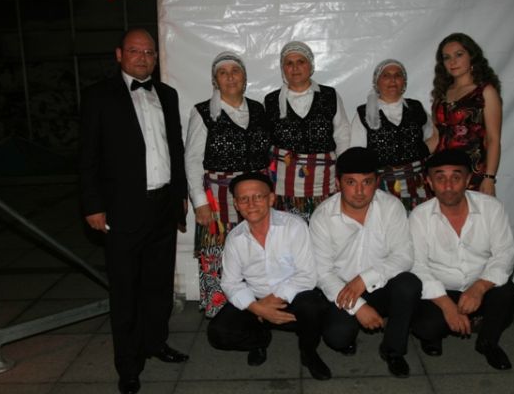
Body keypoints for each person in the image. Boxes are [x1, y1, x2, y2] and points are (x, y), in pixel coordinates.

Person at [79, 28, 189, 394]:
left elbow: (175, 148)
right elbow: (88, 156)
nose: (143, 57)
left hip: (163, 205)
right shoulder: (98, 96)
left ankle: (156, 343)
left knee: (158, 285)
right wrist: (93, 205)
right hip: (122, 208)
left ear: (156, 57)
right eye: (135, 51)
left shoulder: (168, 95)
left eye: (149, 52)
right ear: (119, 54)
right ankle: (128, 365)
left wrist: (180, 194)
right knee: (125, 291)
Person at [309, 147, 422, 378]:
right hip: (341, 289)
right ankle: (348, 335)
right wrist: (359, 307)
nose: (359, 191)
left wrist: (364, 279)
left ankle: (393, 350)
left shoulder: (391, 207)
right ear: (338, 183)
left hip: (381, 284)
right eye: (351, 182)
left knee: (409, 284)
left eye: (367, 182)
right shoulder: (322, 216)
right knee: (337, 337)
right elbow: (322, 273)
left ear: (377, 182)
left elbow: (404, 256)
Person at [207, 172, 332, 380]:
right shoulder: (235, 238)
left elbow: (307, 275)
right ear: (236, 205)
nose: (251, 204)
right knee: (218, 333)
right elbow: (230, 283)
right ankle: (259, 340)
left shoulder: (294, 226)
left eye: (258, 196)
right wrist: (257, 308)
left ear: (271, 198)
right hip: (256, 300)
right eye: (244, 199)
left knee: (313, 307)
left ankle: (308, 352)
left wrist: (270, 303)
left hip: (292, 298)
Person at [410, 149, 514, 370]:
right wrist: (447, 306)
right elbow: (417, 265)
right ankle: (435, 335)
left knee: (508, 293)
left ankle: (488, 343)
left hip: (480, 284)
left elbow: (505, 253)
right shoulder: (419, 216)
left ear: (469, 179)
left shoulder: (491, 208)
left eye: (456, 177)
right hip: (441, 290)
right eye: (440, 178)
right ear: (429, 182)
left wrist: (479, 288)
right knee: (426, 327)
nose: (448, 186)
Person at [184, 51, 272, 318]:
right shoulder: (203, 112)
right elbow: (192, 160)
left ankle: (257, 311)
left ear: (244, 78)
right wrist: (199, 202)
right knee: (218, 253)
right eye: (223, 73)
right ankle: (222, 314)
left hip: (255, 196)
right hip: (219, 197)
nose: (230, 77)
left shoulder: (258, 109)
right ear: (215, 81)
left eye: (235, 71)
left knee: (255, 252)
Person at [264, 41, 351, 221]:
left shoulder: (329, 96)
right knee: (289, 230)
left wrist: (343, 173)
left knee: (324, 226)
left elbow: (342, 135)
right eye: (289, 63)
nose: (295, 68)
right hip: (284, 184)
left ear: (310, 66)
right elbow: (265, 143)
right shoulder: (271, 101)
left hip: (324, 181)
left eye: (301, 62)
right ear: (283, 69)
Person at [350, 59, 436, 212]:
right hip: (382, 187)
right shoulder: (364, 113)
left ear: (404, 82)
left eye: (397, 75)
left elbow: (433, 137)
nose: (392, 80)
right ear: (377, 82)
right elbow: (358, 154)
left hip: (419, 184)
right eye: (386, 76)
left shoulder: (416, 108)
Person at [431, 32, 503, 195]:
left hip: (473, 174)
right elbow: (436, 138)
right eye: (447, 57)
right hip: (442, 174)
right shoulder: (441, 94)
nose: (452, 62)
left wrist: (489, 178)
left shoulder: (485, 92)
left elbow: (493, 139)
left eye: (459, 54)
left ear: (472, 56)